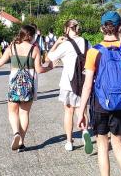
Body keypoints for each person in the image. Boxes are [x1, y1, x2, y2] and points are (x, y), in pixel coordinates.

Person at [77, 11, 121, 176]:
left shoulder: (94, 51)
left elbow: (87, 85)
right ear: (120, 27)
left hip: (100, 103)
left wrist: (82, 111)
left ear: (101, 28)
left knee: (102, 144)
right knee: (118, 141)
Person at [0, 25, 53, 152]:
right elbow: (39, 70)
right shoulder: (34, 49)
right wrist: (50, 67)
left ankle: (16, 133)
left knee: (12, 112)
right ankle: (22, 142)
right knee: (24, 113)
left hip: (14, 84)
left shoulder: (12, 47)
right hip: (28, 84)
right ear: (30, 35)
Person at [45, 19, 92, 152]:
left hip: (68, 84)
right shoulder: (87, 42)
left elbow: (50, 57)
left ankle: (69, 141)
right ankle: (85, 132)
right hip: (84, 83)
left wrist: (57, 43)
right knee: (81, 110)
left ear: (67, 29)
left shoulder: (65, 45)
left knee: (68, 111)